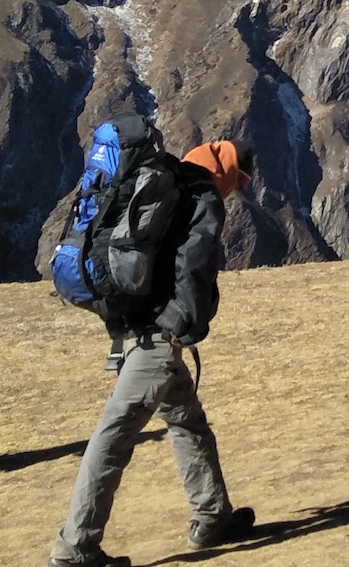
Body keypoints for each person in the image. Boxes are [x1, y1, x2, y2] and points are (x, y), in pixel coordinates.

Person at [48, 138, 257, 567]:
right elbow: (194, 266)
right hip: (159, 340)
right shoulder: (201, 196)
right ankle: (76, 549)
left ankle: (213, 515)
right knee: (114, 436)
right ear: (230, 173)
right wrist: (188, 326)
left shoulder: (167, 185)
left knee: (187, 422)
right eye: (238, 181)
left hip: (134, 330)